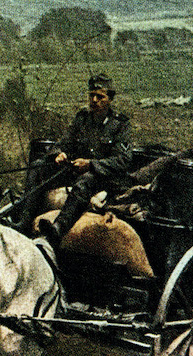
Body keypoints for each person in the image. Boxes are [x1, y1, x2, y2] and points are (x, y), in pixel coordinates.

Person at [37, 73, 134, 247]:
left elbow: (123, 160)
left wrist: (90, 164)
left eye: (100, 97)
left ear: (110, 99)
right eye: (92, 95)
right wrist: (59, 154)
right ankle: (22, 219)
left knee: (85, 180)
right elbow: (63, 143)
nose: (94, 100)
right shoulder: (82, 118)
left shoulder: (120, 124)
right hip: (77, 172)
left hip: (104, 179)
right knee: (38, 166)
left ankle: (58, 228)